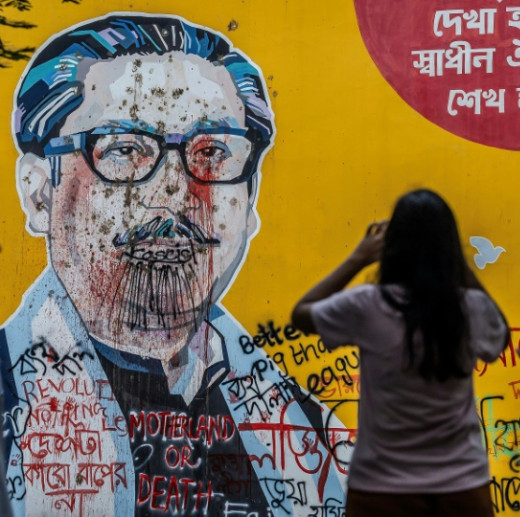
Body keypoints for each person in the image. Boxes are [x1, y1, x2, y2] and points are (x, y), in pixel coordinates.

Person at [1, 13, 347, 516]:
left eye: (212, 152)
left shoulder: (313, 435)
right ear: (38, 193)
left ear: (250, 202)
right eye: (123, 150)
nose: (173, 195)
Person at [291, 189, 510, 517]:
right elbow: (501, 335)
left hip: (381, 489)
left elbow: (301, 315)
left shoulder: (367, 305)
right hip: (462, 487)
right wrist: (454, 260)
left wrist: (358, 258)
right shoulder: (469, 309)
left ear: (392, 247)